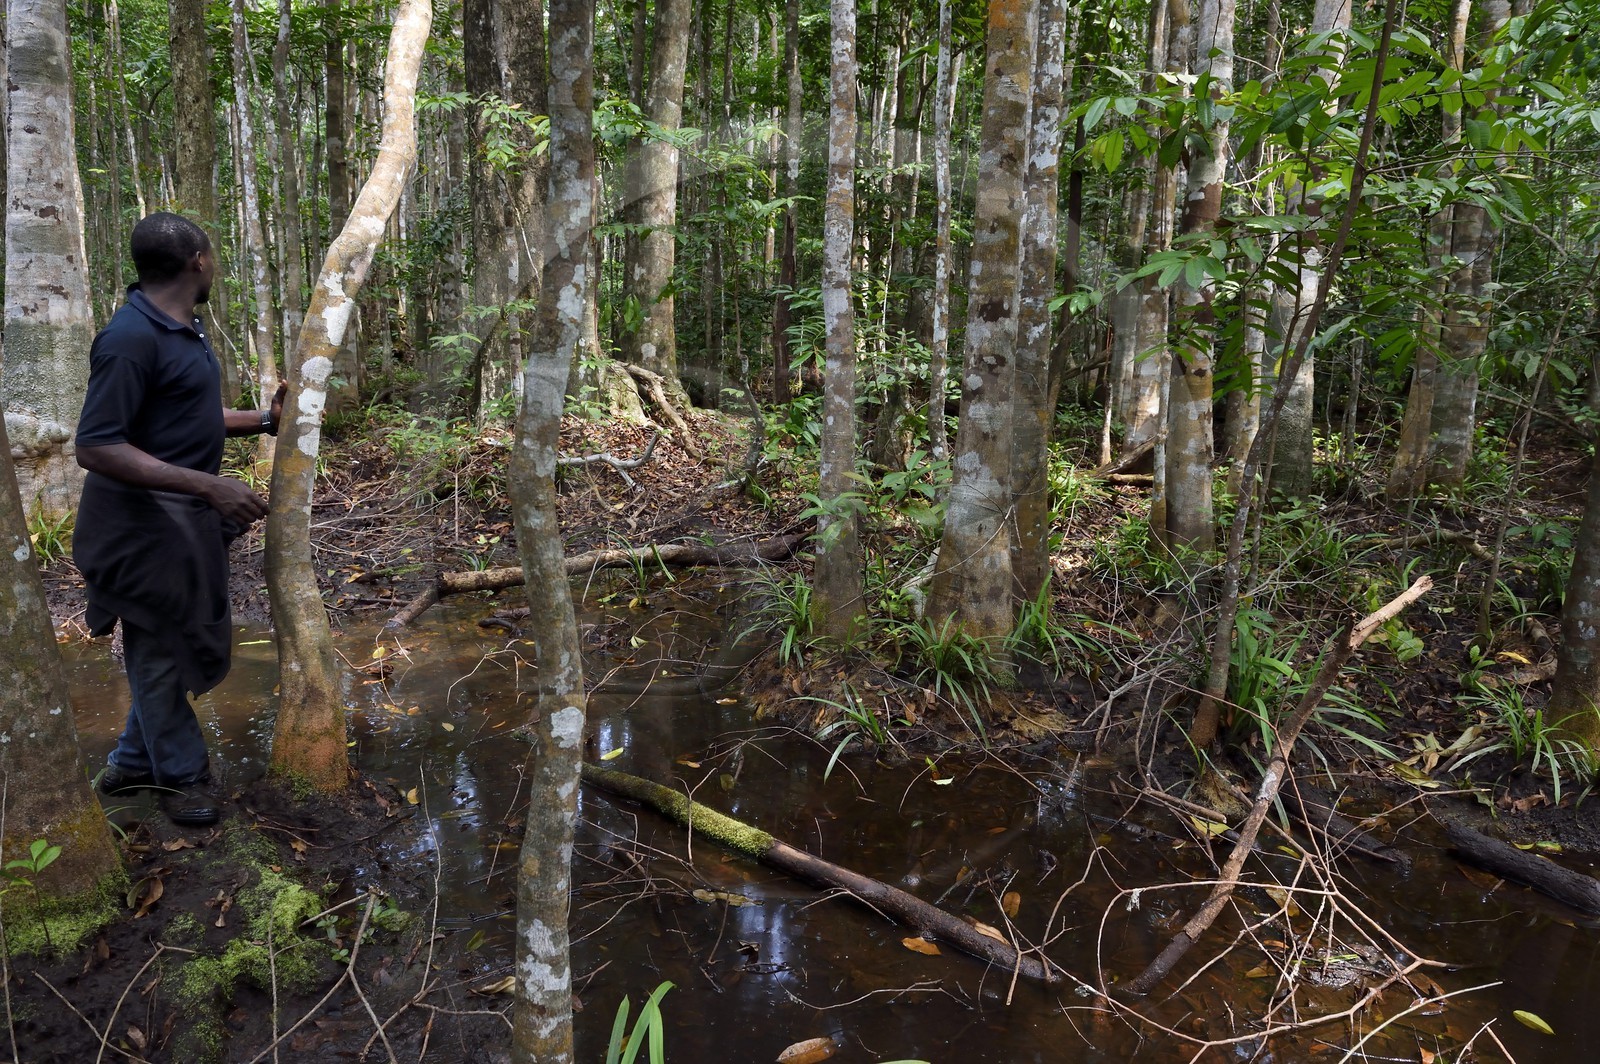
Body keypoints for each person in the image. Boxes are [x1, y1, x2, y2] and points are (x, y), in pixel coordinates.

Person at [73, 212, 285, 827]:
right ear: (197, 261)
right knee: (158, 647)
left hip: (178, 526)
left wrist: (263, 420)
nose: (212, 264)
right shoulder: (128, 339)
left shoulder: (179, 330)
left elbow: (181, 416)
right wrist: (210, 486)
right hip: (139, 531)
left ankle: (133, 762)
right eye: (212, 255)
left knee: (167, 644)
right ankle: (183, 779)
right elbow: (97, 445)